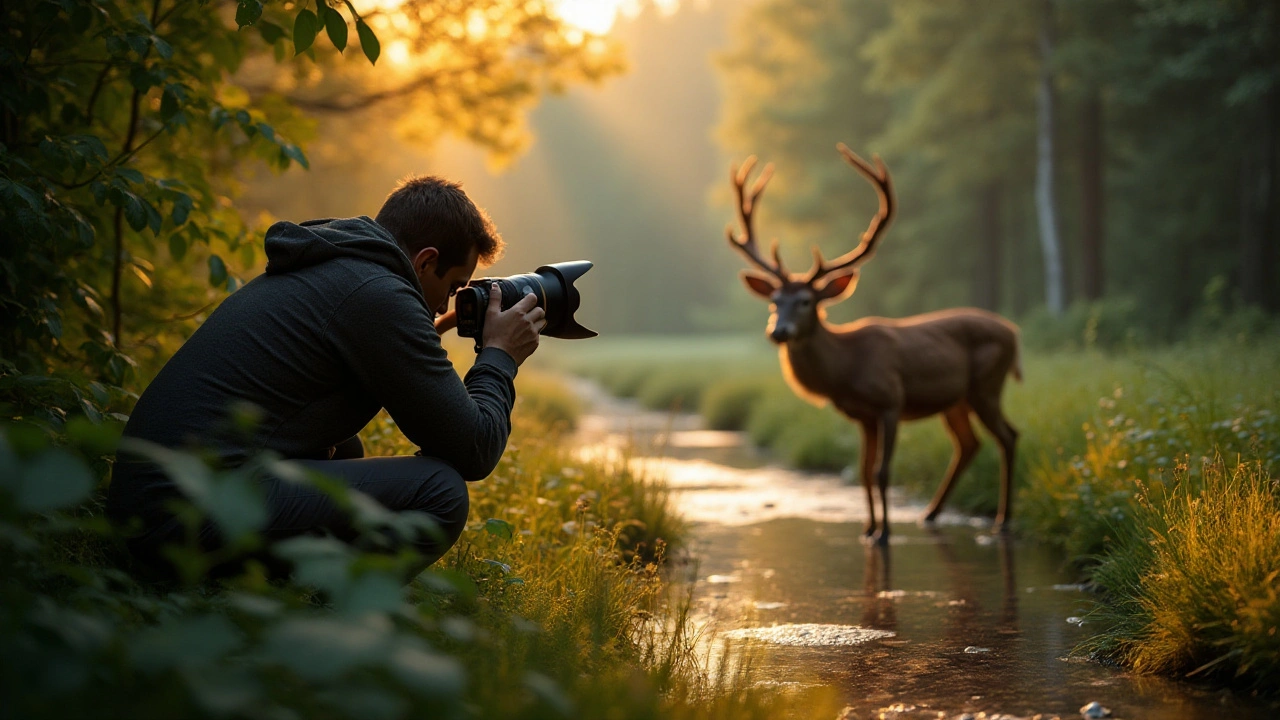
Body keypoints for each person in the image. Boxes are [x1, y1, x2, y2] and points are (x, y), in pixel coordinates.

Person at [106, 176, 545, 577]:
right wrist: (499, 356)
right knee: (439, 493)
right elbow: (473, 449)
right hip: (177, 519)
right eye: (452, 287)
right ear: (426, 261)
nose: (445, 300)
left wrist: (439, 326)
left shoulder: (338, 265)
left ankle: (301, 584)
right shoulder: (379, 296)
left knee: (343, 450)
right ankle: (342, 608)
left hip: (148, 502)